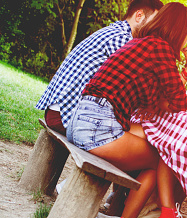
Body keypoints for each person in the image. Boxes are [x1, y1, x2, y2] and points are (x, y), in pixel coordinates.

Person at [66, 2, 187, 218]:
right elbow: (179, 102)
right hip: (96, 125)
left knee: (157, 149)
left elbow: (161, 102)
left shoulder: (142, 43)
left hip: (83, 119)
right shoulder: (159, 48)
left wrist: (186, 72)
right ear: (180, 29)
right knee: (162, 156)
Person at [36, 0, 164, 135]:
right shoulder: (122, 40)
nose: (155, 29)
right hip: (66, 116)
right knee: (145, 137)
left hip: (59, 111)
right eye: (154, 22)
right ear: (139, 16)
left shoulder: (115, 31)